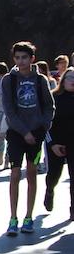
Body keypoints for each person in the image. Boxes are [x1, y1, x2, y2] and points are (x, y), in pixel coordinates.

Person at [1, 41, 55, 236]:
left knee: (31, 173)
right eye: (17, 57)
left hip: (36, 133)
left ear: (32, 59)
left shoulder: (40, 80)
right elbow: (9, 110)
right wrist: (24, 132)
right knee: (15, 173)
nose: (21, 61)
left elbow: (49, 106)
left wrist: (43, 126)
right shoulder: (9, 80)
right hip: (17, 132)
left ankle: (28, 216)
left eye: (24, 57)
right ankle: (13, 217)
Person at [43, 67, 74, 221]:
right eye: (69, 78)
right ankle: (49, 190)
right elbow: (46, 124)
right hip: (56, 142)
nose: (72, 81)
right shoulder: (54, 97)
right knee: (55, 174)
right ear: (63, 80)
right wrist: (53, 143)